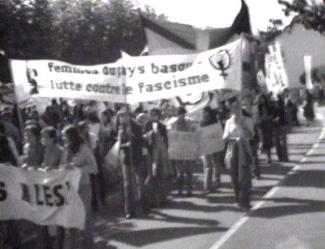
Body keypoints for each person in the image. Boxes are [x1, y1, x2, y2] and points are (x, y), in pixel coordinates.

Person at [60, 125, 97, 249]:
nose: (62, 138)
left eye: (64, 136)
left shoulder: (84, 148)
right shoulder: (65, 150)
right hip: (69, 188)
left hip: (83, 186)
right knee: (70, 218)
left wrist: (77, 169)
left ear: (71, 136)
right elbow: (61, 166)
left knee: (85, 217)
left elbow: (93, 167)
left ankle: (88, 244)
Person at [116, 107, 147, 219]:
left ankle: (144, 205)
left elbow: (142, 141)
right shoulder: (120, 128)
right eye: (120, 116)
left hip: (137, 157)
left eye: (124, 115)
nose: (122, 118)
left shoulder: (137, 127)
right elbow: (119, 145)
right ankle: (129, 210)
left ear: (129, 116)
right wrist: (125, 144)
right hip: (126, 159)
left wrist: (133, 138)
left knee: (140, 182)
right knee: (127, 184)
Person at [223, 97, 253, 210]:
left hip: (243, 147)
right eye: (233, 107)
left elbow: (251, 135)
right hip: (231, 148)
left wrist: (242, 126)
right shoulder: (228, 122)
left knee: (244, 175)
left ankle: (245, 201)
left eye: (237, 107)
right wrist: (230, 137)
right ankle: (237, 198)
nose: (235, 109)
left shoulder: (247, 120)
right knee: (233, 174)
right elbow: (224, 137)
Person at [145, 107, 171, 206]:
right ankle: (151, 198)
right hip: (150, 154)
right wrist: (150, 135)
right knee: (151, 175)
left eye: (154, 114)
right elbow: (145, 138)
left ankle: (162, 198)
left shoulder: (162, 126)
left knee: (161, 175)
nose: (152, 116)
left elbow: (165, 141)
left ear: (158, 116)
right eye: (151, 114)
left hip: (160, 154)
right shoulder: (147, 125)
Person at [169, 106, 196, 197]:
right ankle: (180, 190)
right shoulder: (173, 123)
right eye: (180, 114)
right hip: (178, 149)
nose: (182, 116)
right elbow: (170, 135)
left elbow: (194, 132)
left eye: (183, 114)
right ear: (177, 114)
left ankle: (189, 190)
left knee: (188, 171)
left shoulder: (189, 122)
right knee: (180, 171)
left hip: (187, 149)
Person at [200, 106, 224, 193]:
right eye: (203, 112)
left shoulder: (213, 121)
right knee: (208, 166)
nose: (203, 114)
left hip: (213, 146)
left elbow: (218, 133)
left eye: (205, 112)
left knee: (215, 164)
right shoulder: (202, 122)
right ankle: (207, 185)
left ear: (208, 113)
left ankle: (215, 181)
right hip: (206, 146)